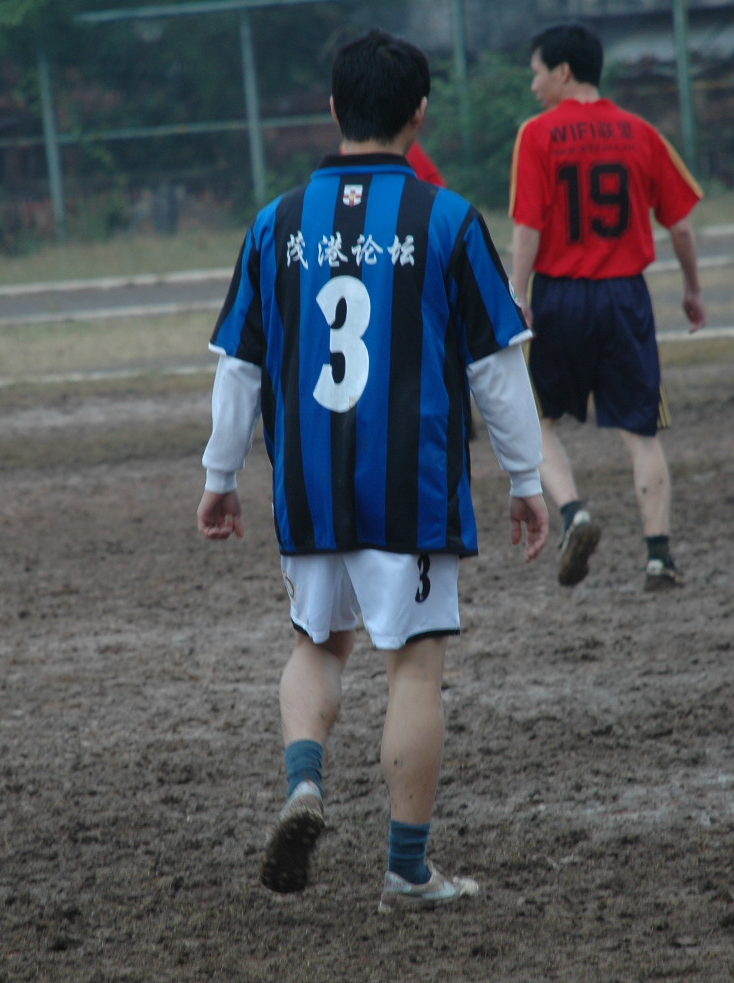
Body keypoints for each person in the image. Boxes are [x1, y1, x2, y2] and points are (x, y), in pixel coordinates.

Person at [197, 29, 548, 912]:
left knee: (316, 644)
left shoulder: (276, 223)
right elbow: (495, 368)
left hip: (308, 483)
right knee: (414, 667)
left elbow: (239, 367)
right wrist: (527, 479)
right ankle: (407, 871)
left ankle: (304, 782)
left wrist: (219, 475)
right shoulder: (448, 219)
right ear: (419, 114)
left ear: (332, 109)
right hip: (410, 487)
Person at [507, 22, 706, 591]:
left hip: (561, 297)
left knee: (535, 421)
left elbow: (528, 228)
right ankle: (659, 558)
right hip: (625, 298)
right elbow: (681, 227)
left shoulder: (537, 135)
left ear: (564, 72)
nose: (534, 85)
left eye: (537, 73)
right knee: (642, 431)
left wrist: (517, 295)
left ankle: (574, 513)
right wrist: (692, 290)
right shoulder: (642, 133)